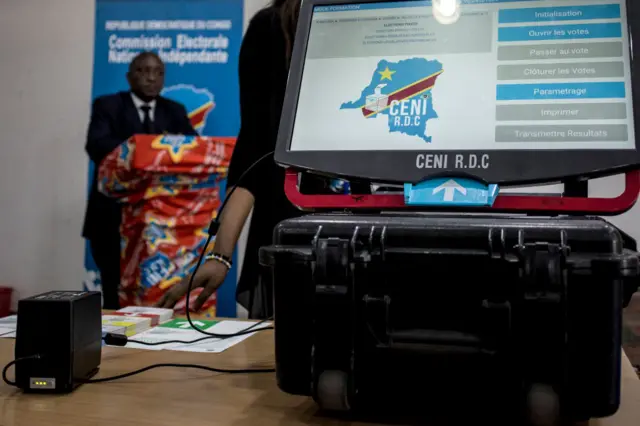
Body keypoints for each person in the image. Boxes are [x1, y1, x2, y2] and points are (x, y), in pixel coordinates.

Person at [157, 0, 370, 317]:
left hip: (367, 230)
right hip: (290, 232)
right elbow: (254, 153)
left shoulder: (373, 19)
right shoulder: (270, 27)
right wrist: (221, 255)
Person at [83, 51, 197, 309]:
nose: (151, 78)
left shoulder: (175, 111)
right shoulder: (108, 105)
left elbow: (191, 151)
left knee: (162, 291)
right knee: (115, 292)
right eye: (143, 71)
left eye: (158, 72)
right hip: (113, 218)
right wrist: (150, 151)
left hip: (164, 220)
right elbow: (97, 145)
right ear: (129, 76)